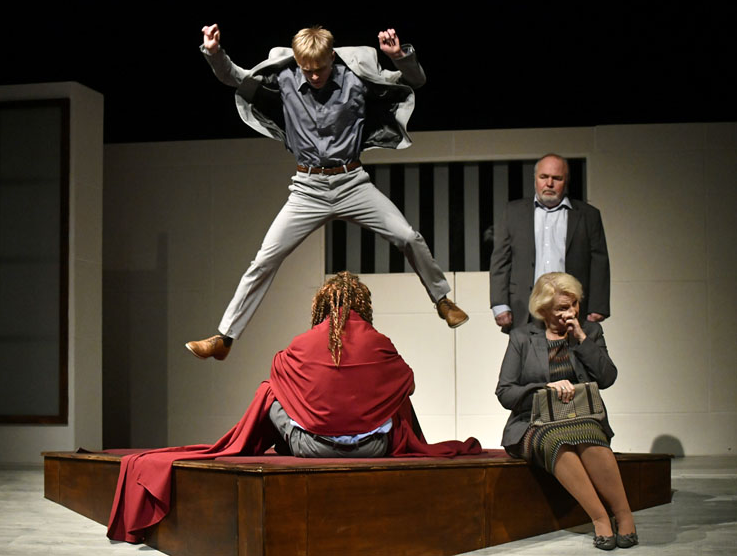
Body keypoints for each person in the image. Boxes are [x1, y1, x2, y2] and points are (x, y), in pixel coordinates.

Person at [108, 272, 481, 542]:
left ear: (322, 304)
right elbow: (407, 382)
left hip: (310, 447)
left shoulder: (305, 341)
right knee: (394, 398)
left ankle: (252, 444)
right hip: (375, 447)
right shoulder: (379, 341)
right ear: (363, 305)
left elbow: (278, 371)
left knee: (270, 389)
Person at [186, 24, 468, 361]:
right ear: (298, 62)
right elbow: (234, 76)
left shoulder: (355, 78)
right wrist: (214, 53)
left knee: (408, 236)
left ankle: (442, 300)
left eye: (320, 68)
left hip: (352, 183)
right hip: (307, 189)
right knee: (264, 259)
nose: (315, 76)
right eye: (307, 69)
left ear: (332, 57)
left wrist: (400, 57)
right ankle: (225, 338)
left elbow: (412, 82)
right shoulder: (285, 77)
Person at [495, 272, 637, 550]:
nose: (570, 313)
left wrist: (582, 339)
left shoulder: (590, 332)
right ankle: (600, 519)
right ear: (543, 309)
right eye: (562, 308)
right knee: (556, 441)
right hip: (535, 423)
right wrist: (544, 387)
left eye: (574, 304)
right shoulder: (522, 337)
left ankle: (624, 516)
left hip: (582, 416)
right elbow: (505, 392)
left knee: (589, 436)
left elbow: (607, 378)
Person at [489, 153, 610, 333]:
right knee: (526, 352)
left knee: (571, 352)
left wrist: (598, 306)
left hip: (572, 309)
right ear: (535, 179)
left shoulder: (588, 215)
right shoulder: (513, 212)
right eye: (543, 177)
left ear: (566, 181)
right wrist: (500, 304)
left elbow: (599, 262)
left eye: (557, 178)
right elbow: (501, 261)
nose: (549, 183)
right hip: (525, 308)